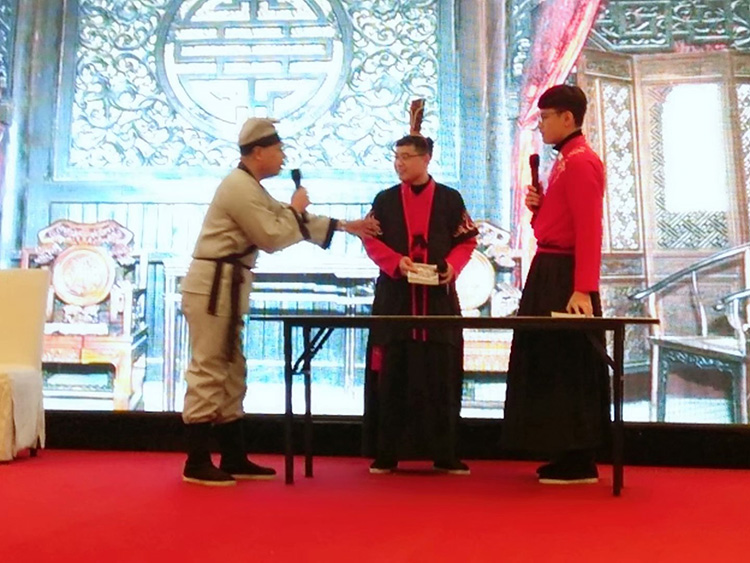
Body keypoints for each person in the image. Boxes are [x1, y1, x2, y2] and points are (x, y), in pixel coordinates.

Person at [180, 117, 380, 486]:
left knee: (231, 370)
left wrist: (343, 225)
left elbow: (284, 220)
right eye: (278, 149)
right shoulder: (238, 186)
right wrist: (295, 209)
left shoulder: (249, 186)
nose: (283, 156)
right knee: (209, 367)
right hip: (213, 287)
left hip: (225, 286)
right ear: (258, 152)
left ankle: (233, 456)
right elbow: (272, 235)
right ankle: (196, 461)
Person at [502, 84, 608, 484]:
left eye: (546, 117)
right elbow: (556, 226)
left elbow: (589, 230)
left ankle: (578, 457)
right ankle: (564, 451)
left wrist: (582, 289)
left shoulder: (581, 162)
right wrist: (541, 209)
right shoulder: (565, 159)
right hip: (551, 268)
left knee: (568, 362)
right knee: (551, 359)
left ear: (568, 118)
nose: (541, 124)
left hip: (566, 276)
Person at [362, 132, 478, 475]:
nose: (399, 164)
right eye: (396, 157)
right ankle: (387, 452)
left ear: (426, 159)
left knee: (440, 375)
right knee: (392, 375)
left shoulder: (450, 199)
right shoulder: (384, 200)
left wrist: (452, 267)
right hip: (395, 301)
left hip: (438, 302)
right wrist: (395, 263)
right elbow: (370, 240)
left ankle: (445, 453)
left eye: (406, 157)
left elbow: (466, 241)